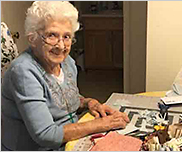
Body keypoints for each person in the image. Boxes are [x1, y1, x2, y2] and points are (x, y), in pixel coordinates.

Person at [1, 1, 129, 151]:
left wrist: (88, 102)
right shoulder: (23, 72)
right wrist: (102, 124)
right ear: (32, 38)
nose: (61, 46)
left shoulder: (67, 62)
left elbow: (65, 98)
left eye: (67, 37)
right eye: (52, 35)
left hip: (69, 141)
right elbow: (46, 135)